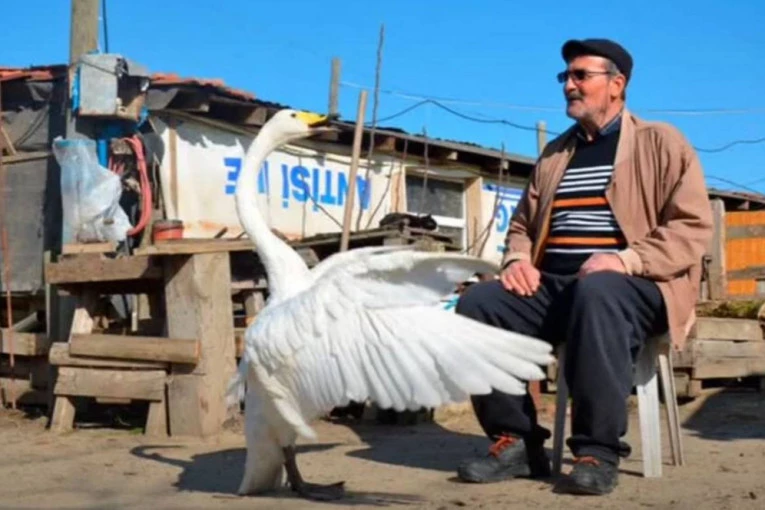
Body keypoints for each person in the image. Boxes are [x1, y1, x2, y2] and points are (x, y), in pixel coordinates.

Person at [454, 38, 713, 495]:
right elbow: (522, 226)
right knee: (479, 302)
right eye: (566, 76)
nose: (568, 85)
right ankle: (516, 441)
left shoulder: (660, 142)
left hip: (638, 284)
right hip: (556, 286)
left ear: (617, 84)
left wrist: (626, 259)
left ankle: (597, 451)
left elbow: (692, 227)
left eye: (581, 76)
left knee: (600, 290)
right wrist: (517, 259)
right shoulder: (556, 154)